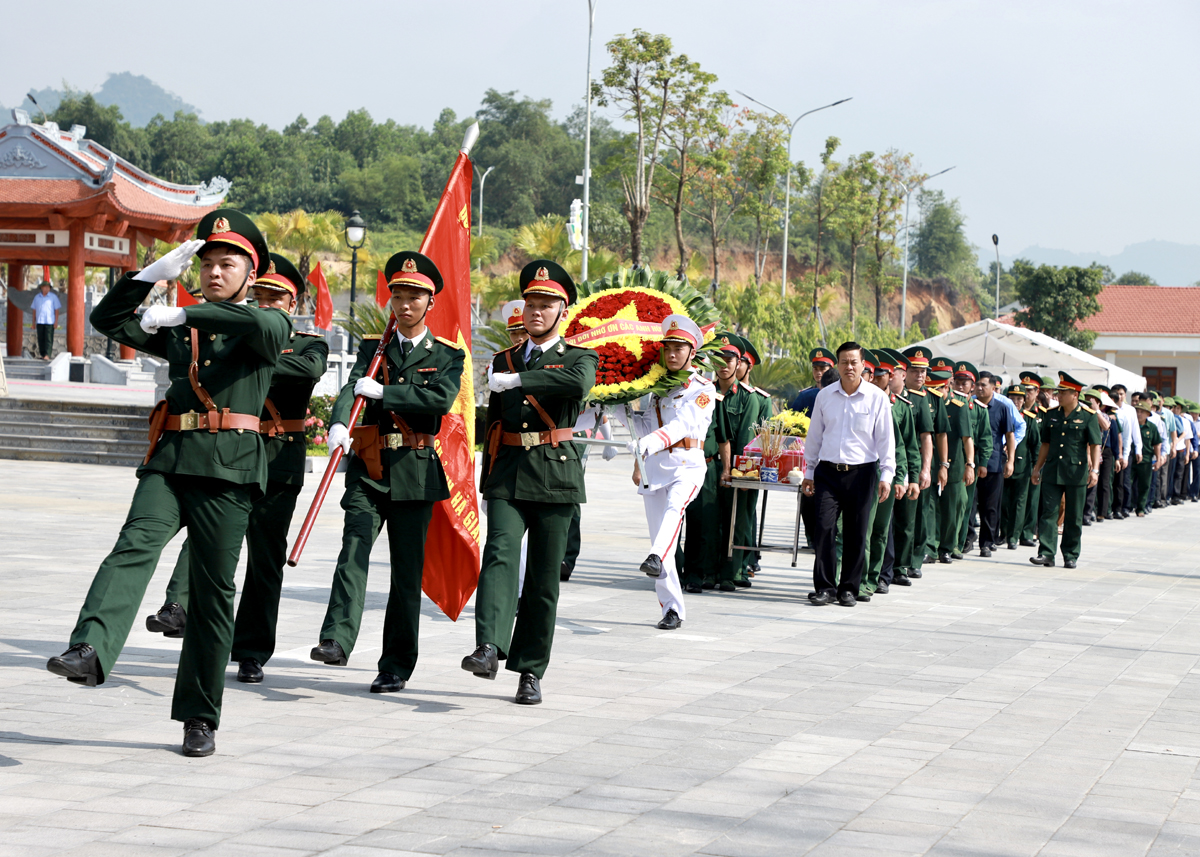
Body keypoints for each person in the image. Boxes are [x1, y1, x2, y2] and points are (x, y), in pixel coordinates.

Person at [47, 209, 287, 757]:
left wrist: (182, 313)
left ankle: (199, 715)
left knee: (212, 594)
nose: (215, 272)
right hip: (173, 461)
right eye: (207, 264)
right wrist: (148, 275)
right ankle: (90, 648)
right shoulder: (187, 331)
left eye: (229, 264)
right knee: (133, 545)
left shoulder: (265, 323)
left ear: (253, 275)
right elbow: (109, 320)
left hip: (228, 472)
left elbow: (259, 326)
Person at [144, 254, 329, 686]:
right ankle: (178, 605)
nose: (266, 303)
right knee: (204, 532)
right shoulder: (224, 335)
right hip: (227, 452)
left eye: (275, 297)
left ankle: (250, 651)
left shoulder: (307, 342)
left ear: (293, 301)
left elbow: (307, 372)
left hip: (278, 461)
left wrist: (253, 358)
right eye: (259, 295)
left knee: (265, 561)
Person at [312, 252, 464, 694]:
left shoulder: (447, 356)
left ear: (430, 302)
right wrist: (340, 421)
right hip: (369, 466)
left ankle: (396, 664)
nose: (405, 303)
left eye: (415, 296)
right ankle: (336, 639)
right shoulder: (371, 349)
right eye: (398, 294)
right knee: (354, 547)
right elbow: (350, 386)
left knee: (404, 574)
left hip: (415, 472)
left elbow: (439, 399)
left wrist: (387, 392)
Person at [463, 260, 598, 705]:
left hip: (556, 475)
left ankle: (530, 670)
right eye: (531, 303)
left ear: (564, 310)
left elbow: (576, 385)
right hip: (508, 473)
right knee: (499, 553)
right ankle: (488, 647)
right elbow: (495, 426)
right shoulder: (502, 359)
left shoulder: (580, 357)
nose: (536, 312)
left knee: (543, 579)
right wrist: (484, 480)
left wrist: (520, 379)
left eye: (546, 304)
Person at [627, 315, 716, 629]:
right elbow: (646, 425)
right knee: (661, 537)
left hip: (686, 465)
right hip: (655, 468)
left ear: (693, 352)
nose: (672, 354)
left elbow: (683, 425)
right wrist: (626, 412)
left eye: (680, 348)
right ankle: (672, 609)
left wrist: (649, 440)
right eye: (668, 348)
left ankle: (654, 556)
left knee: (673, 511)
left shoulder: (704, 389)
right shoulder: (656, 389)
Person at [801, 342, 895, 607]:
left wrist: (887, 475)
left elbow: (886, 440)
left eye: (854, 362)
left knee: (857, 532)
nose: (849, 367)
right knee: (824, 528)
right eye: (844, 362)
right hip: (828, 473)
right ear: (837, 365)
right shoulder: (825, 396)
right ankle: (825, 587)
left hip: (862, 474)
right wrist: (809, 470)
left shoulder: (877, 398)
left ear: (863, 365)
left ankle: (849, 589)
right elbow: (814, 436)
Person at [861, 349, 919, 598]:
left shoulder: (896, 406)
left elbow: (903, 447)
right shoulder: (861, 400)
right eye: (873, 373)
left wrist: (903, 477)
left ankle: (876, 578)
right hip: (859, 474)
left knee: (880, 530)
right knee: (861, 529)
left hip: (884, 474)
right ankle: (858, 577)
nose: (876, 378)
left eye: (882, 374)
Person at [1030, 372, 1102, 569]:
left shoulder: (1088, 416)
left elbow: (1095, 445)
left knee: (1073, 516)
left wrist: (1094, 470)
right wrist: (1037, 468)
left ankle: (1070, 554)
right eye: (1058, 392)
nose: (1058, 395)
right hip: (1053, 471)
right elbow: (1045, 444)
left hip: (1076, 473)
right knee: (1048, 513)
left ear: (1075, 395)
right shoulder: (1051, 415)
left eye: (1063, 392)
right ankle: (1046, 553)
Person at [714, 333, 759, 591]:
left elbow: (745, 440)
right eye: (718, 358)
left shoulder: (748, 397)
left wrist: (738, 473)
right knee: (710, 520)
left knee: (737, 520)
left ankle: (732, 571)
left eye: (729, 359)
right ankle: (707, 570)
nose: (723, 364)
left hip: (736, 470)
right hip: (708, 466)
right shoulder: (704, 391)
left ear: (738, 362)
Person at [893, 347, 935, 582]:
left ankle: (909, 563)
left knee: (911, 519)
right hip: (890, 467)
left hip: (912, 464)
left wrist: (925, 469)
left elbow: (926, 437)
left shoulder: (919, 401)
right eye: (914, 371)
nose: (919, 376)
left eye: (923, 372)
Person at [936, 362, 976, 564]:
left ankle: (947, 546)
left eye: (942, 385)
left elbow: (967, 439)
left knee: (953, 508)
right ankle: (931, 546)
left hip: (955, 464)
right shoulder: (930, 402)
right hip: (933, 462)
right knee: (932, 508)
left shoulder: (959, 406)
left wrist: (970, 465)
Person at [973, 370, 1015, 556]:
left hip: (994, 462)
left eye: (984, 385)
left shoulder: (1002, 407)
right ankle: (966, 539)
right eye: (978, 385)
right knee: (970, 505)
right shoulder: (969, 406)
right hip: (971, 463)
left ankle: (987, 542)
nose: (980, 388)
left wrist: (1011, 460)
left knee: (990, 506)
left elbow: (1009, 436)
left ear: (993, 387)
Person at [1001, 384, 1041, 549]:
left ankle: (1014, 537)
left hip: (1022, 466)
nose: (1016, 401)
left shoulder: (1029, 419)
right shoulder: (1001, 414)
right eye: (1012, 398)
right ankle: (1003, 533)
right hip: (1001, 466)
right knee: (1003, 502)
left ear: (1024, 401)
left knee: (1019, 503)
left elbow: (1035, 445)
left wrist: (1036, 467)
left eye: (1019, 398)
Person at [1131, 400, 1162, 516]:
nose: (1139, 414)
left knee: (1144, 485)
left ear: (1148, 414)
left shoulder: (1152, 427)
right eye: (1137, 411)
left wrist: (1158, 459)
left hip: (1146, 460)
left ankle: (1140, 508)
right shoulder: (1132, 425)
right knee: (1127, 483)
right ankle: (1128, 505)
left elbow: (1156, 444)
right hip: (1131, 458)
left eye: (1142, 412)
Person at [788, 347, 836, 415]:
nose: (818, 372)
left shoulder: (838, 393)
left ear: (831, 370)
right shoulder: (805, 396)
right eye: (815, 369)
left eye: (822, 369)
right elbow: (792, 418)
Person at [30, 279, 61, 360]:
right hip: (40, 321)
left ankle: (47, 354)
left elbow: (56, 310)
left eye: (48, 287)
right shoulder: (37, 297)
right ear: (42, 288)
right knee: (41, 339)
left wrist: (56, 322)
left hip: (49, 321)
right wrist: (33, 323)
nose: (46, 289)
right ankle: (43, 354)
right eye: (45, 287)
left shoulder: (53, 297)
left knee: (48, 339)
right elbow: (34, 310)